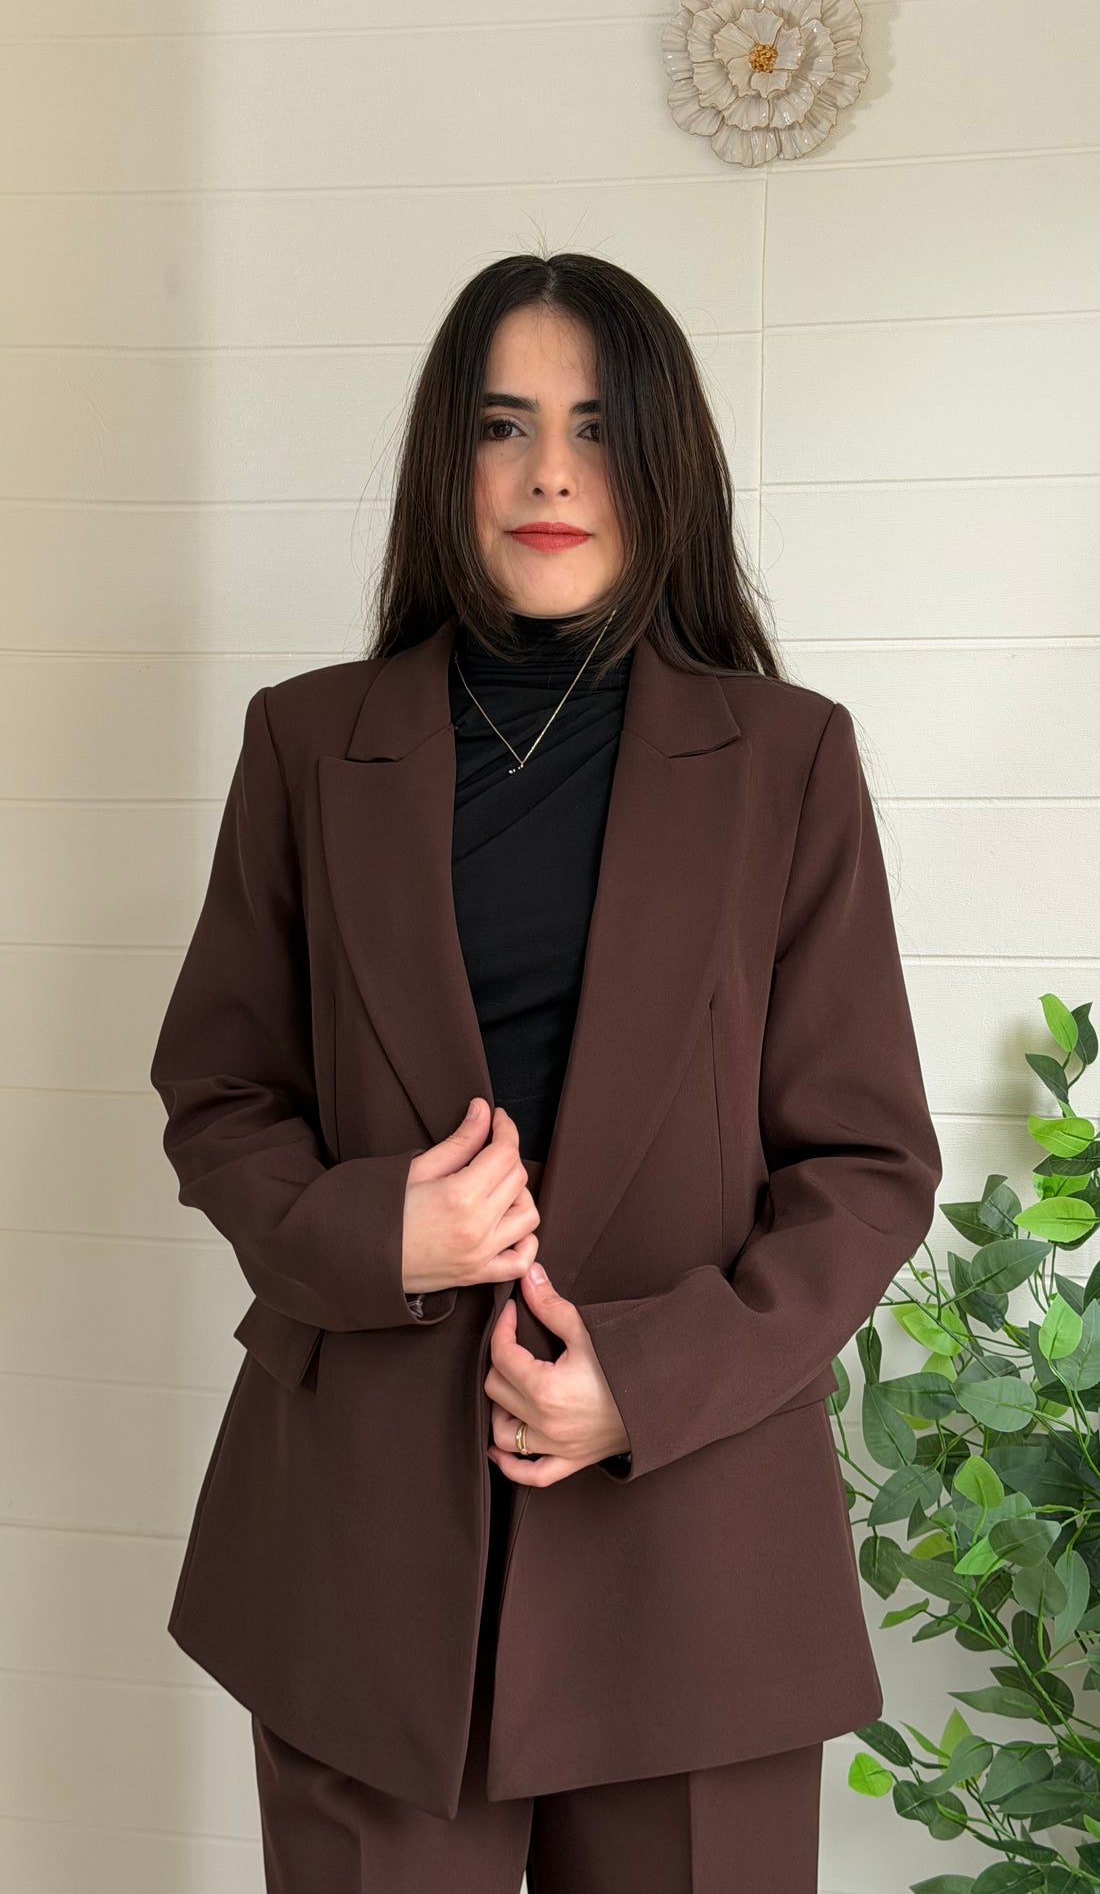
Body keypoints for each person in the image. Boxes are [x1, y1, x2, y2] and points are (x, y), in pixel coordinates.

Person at [149, 251, 942, 1892]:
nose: (551, 475)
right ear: (448, 461)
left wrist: (649, 1380)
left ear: (667, 463)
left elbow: (865, 1167)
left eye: (596, 428)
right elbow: (221, 1093)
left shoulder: (789, 758)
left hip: (694, 1549)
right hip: (365, 1555)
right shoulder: (307, 743)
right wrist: (375, 1234)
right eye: (503, 427)